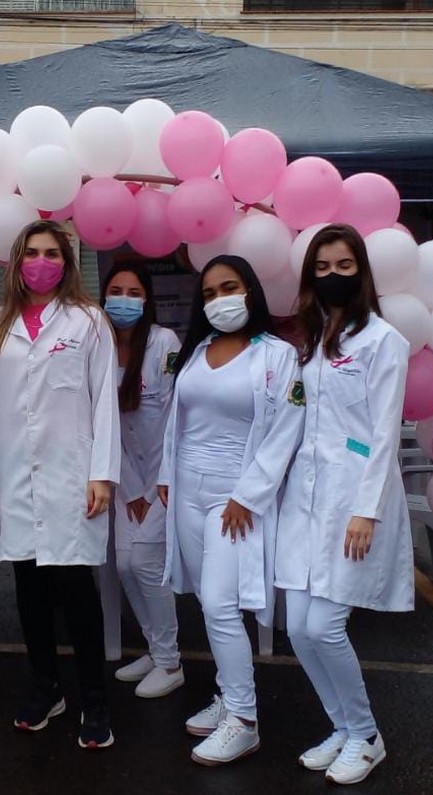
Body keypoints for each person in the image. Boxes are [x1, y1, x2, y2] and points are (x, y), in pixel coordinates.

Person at [276, 223, 413, 785]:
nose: (333, 275)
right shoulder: (310, 341)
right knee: (298, 628)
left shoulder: (383, 341)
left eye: (344, 266)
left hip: (354, 500)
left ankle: (367, 735)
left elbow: (384, 435)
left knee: (327, 626)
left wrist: (366, 510)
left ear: (361, 273)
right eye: (323, 267)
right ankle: (343, 726)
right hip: (306, 499)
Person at [157, 255, 305, 766]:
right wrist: (165, 476)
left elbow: (287, 429)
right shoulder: (197, 351)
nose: (220, 300)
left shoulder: (277, 355)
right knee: (206, 600)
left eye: (229, 287)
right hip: (187, 490)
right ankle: (228, 694)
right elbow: (177, 421)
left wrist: (250, 494)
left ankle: (244, 719)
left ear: (251, 292)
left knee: (221, 604)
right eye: (210, 293)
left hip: (234, 496)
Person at [0, 220, 120, 750]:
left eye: (52, 253)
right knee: (29, 591)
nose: (42, 262)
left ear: (67, 263)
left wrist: (102, 474)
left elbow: (104, 401)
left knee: (77, 592)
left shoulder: (88, 321)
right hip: (15, 475)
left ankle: (95, 700)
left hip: (71, 476)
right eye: (32, 253)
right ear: (16, 263)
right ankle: (46, 688)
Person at [100, 262, 184, 700]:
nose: (124, 300)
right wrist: (131, 489)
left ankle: (171, 663)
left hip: (164, 479)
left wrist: (153, 488)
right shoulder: (98, 344)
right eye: (116, 291)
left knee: (145, 565)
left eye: (133, 293)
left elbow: (175, 417)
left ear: (147, 299)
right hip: (123, 477)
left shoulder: (163, 343)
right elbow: (101, 424)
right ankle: (155, 649)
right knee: (124, 566)